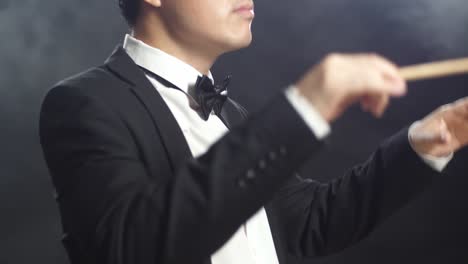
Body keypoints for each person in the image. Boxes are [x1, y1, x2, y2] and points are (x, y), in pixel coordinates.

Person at [39, 0, 468, 264]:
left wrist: (425, 143)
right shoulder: (84, 102)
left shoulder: (231, 115)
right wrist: (304, 106)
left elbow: (311, 222)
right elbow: (133, 249)